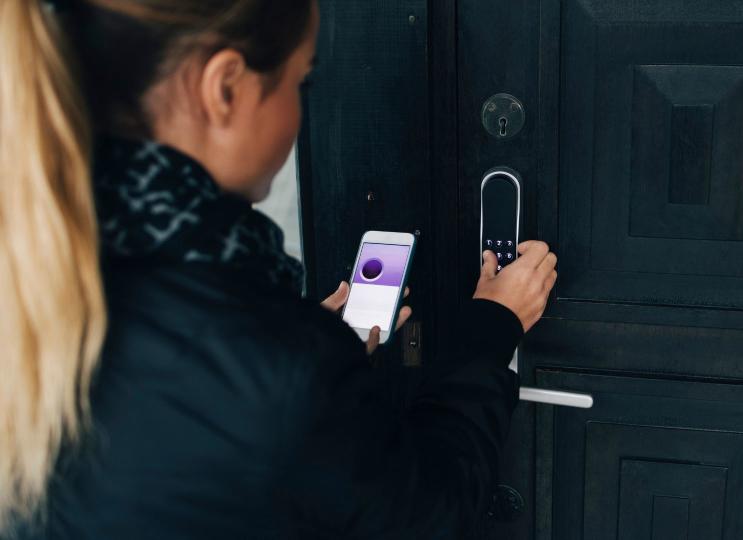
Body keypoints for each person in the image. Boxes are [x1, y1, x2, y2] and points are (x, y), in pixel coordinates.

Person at [0, 0, 558, 538]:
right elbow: (428, 515)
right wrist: (491, 328)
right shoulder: (271, 366)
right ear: (225, 89)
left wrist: (295, 359)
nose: (298, 111)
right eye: (300, 81)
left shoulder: (37, 268)